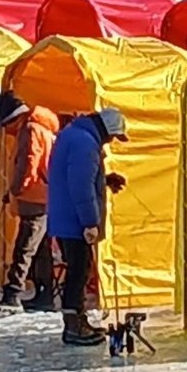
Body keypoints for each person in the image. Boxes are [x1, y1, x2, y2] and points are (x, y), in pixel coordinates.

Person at [46, 106, 128, 346]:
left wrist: (104, 179)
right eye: (113, 137)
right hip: (74, 221)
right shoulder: (85, 143)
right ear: (106, 131)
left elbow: (77, 177)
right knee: (78, 273)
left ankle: (76, 321)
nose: (111, 141)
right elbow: (81, 187)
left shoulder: (75, 134)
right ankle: (74, 327)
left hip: (63, 216)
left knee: (77, 271)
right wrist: (90, 222)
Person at [0, 91, 59, 316]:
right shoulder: (39, 128)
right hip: (43, 195)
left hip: (34, 197)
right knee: (40, 248)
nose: (7, 132)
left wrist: (16, 189)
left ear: (13, 118)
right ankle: (45, 293)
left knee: (25, 247)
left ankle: (13, 293)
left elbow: (29, 163)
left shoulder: (30, 130)